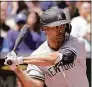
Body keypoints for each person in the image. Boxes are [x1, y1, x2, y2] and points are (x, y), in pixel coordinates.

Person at [4, 6, 89, 87]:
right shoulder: (38, 55)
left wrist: (20, 60)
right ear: (44, 28)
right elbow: (36, 85)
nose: (60, 30)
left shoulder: (77, 42)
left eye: (62, 26)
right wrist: (16, 69)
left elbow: (58, 58)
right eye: (55, 27)